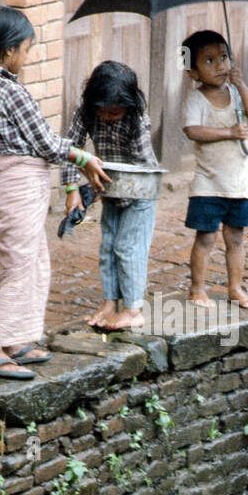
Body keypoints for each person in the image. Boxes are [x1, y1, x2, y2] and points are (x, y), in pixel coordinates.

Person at [0, 6, 109, 379]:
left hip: (7, 178)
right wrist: (84, 158)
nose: (27, 58)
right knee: (19, 264)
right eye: (26, 50)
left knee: (30, 258)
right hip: (18, 182)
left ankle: (17, 339)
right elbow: (46, 143)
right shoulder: (10, 92)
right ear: (10, 50)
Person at [60, 61, 159, 332]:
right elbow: (70, 148)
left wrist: (103, 181)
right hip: (110, 189)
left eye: (115, 112)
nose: (108, 117)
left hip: (140, 192)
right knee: (108, 248)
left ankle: (133, 309)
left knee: (128, 248)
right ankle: (110, 303)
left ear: (129, 105)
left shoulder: (136, 120)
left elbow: (144, 167)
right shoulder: (86, 113)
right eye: (103, 111)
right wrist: (72, 190)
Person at [180, 29, 248, 309]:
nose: (219, 66)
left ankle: (235, 287)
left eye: (224, 57)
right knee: (205, 238)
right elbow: (192, 130)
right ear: (192, 72)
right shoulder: (196, 99)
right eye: (209, 61)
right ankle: (197, 289)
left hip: (239, 184)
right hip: (209, 185)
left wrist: (241, 86)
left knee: (236, 239)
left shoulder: (236, 94)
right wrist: (228, 132)